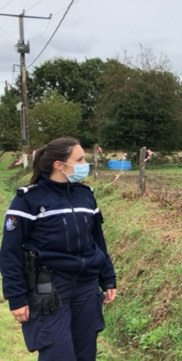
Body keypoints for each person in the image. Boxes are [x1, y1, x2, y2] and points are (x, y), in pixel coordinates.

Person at [0, 137, 117, 360]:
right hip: (50, 289)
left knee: (86, 354)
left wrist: (108, 278)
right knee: (58, 355)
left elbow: (97, 241)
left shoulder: (85, 196)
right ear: (59, 165)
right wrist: (16, 298)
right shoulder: (28, 200)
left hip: (86, 286)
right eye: (80, 159)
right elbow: (10, 253)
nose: (85, 164)